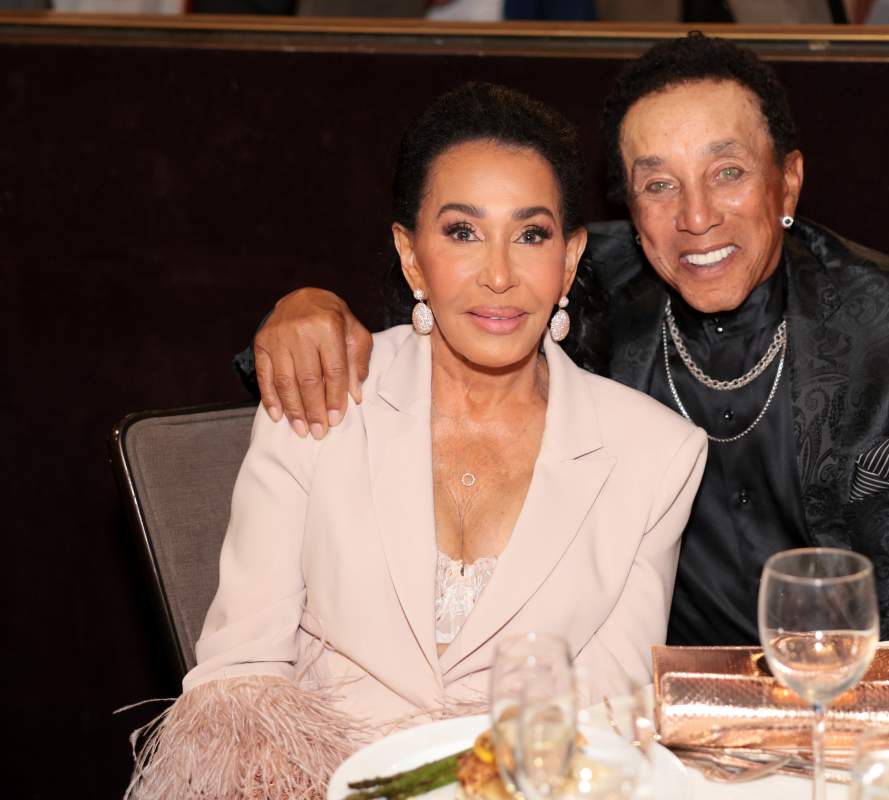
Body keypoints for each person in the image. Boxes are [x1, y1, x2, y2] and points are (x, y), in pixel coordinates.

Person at [246, 33, 889, 646]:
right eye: (659, 185)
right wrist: (305, 304)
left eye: (727, 172)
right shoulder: (578, 286)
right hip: (656, 736)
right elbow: (434, 299)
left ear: (788, 180)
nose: (695, 217)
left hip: (866, 732)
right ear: (626, 208)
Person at [128, 82, 706, 799]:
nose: (498, 275)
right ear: (410, 256)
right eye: (462, 232)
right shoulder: (324, 393)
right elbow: (239, 675)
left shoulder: (656, 454)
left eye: (531, 235)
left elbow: (607, 719)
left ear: (568, 258)